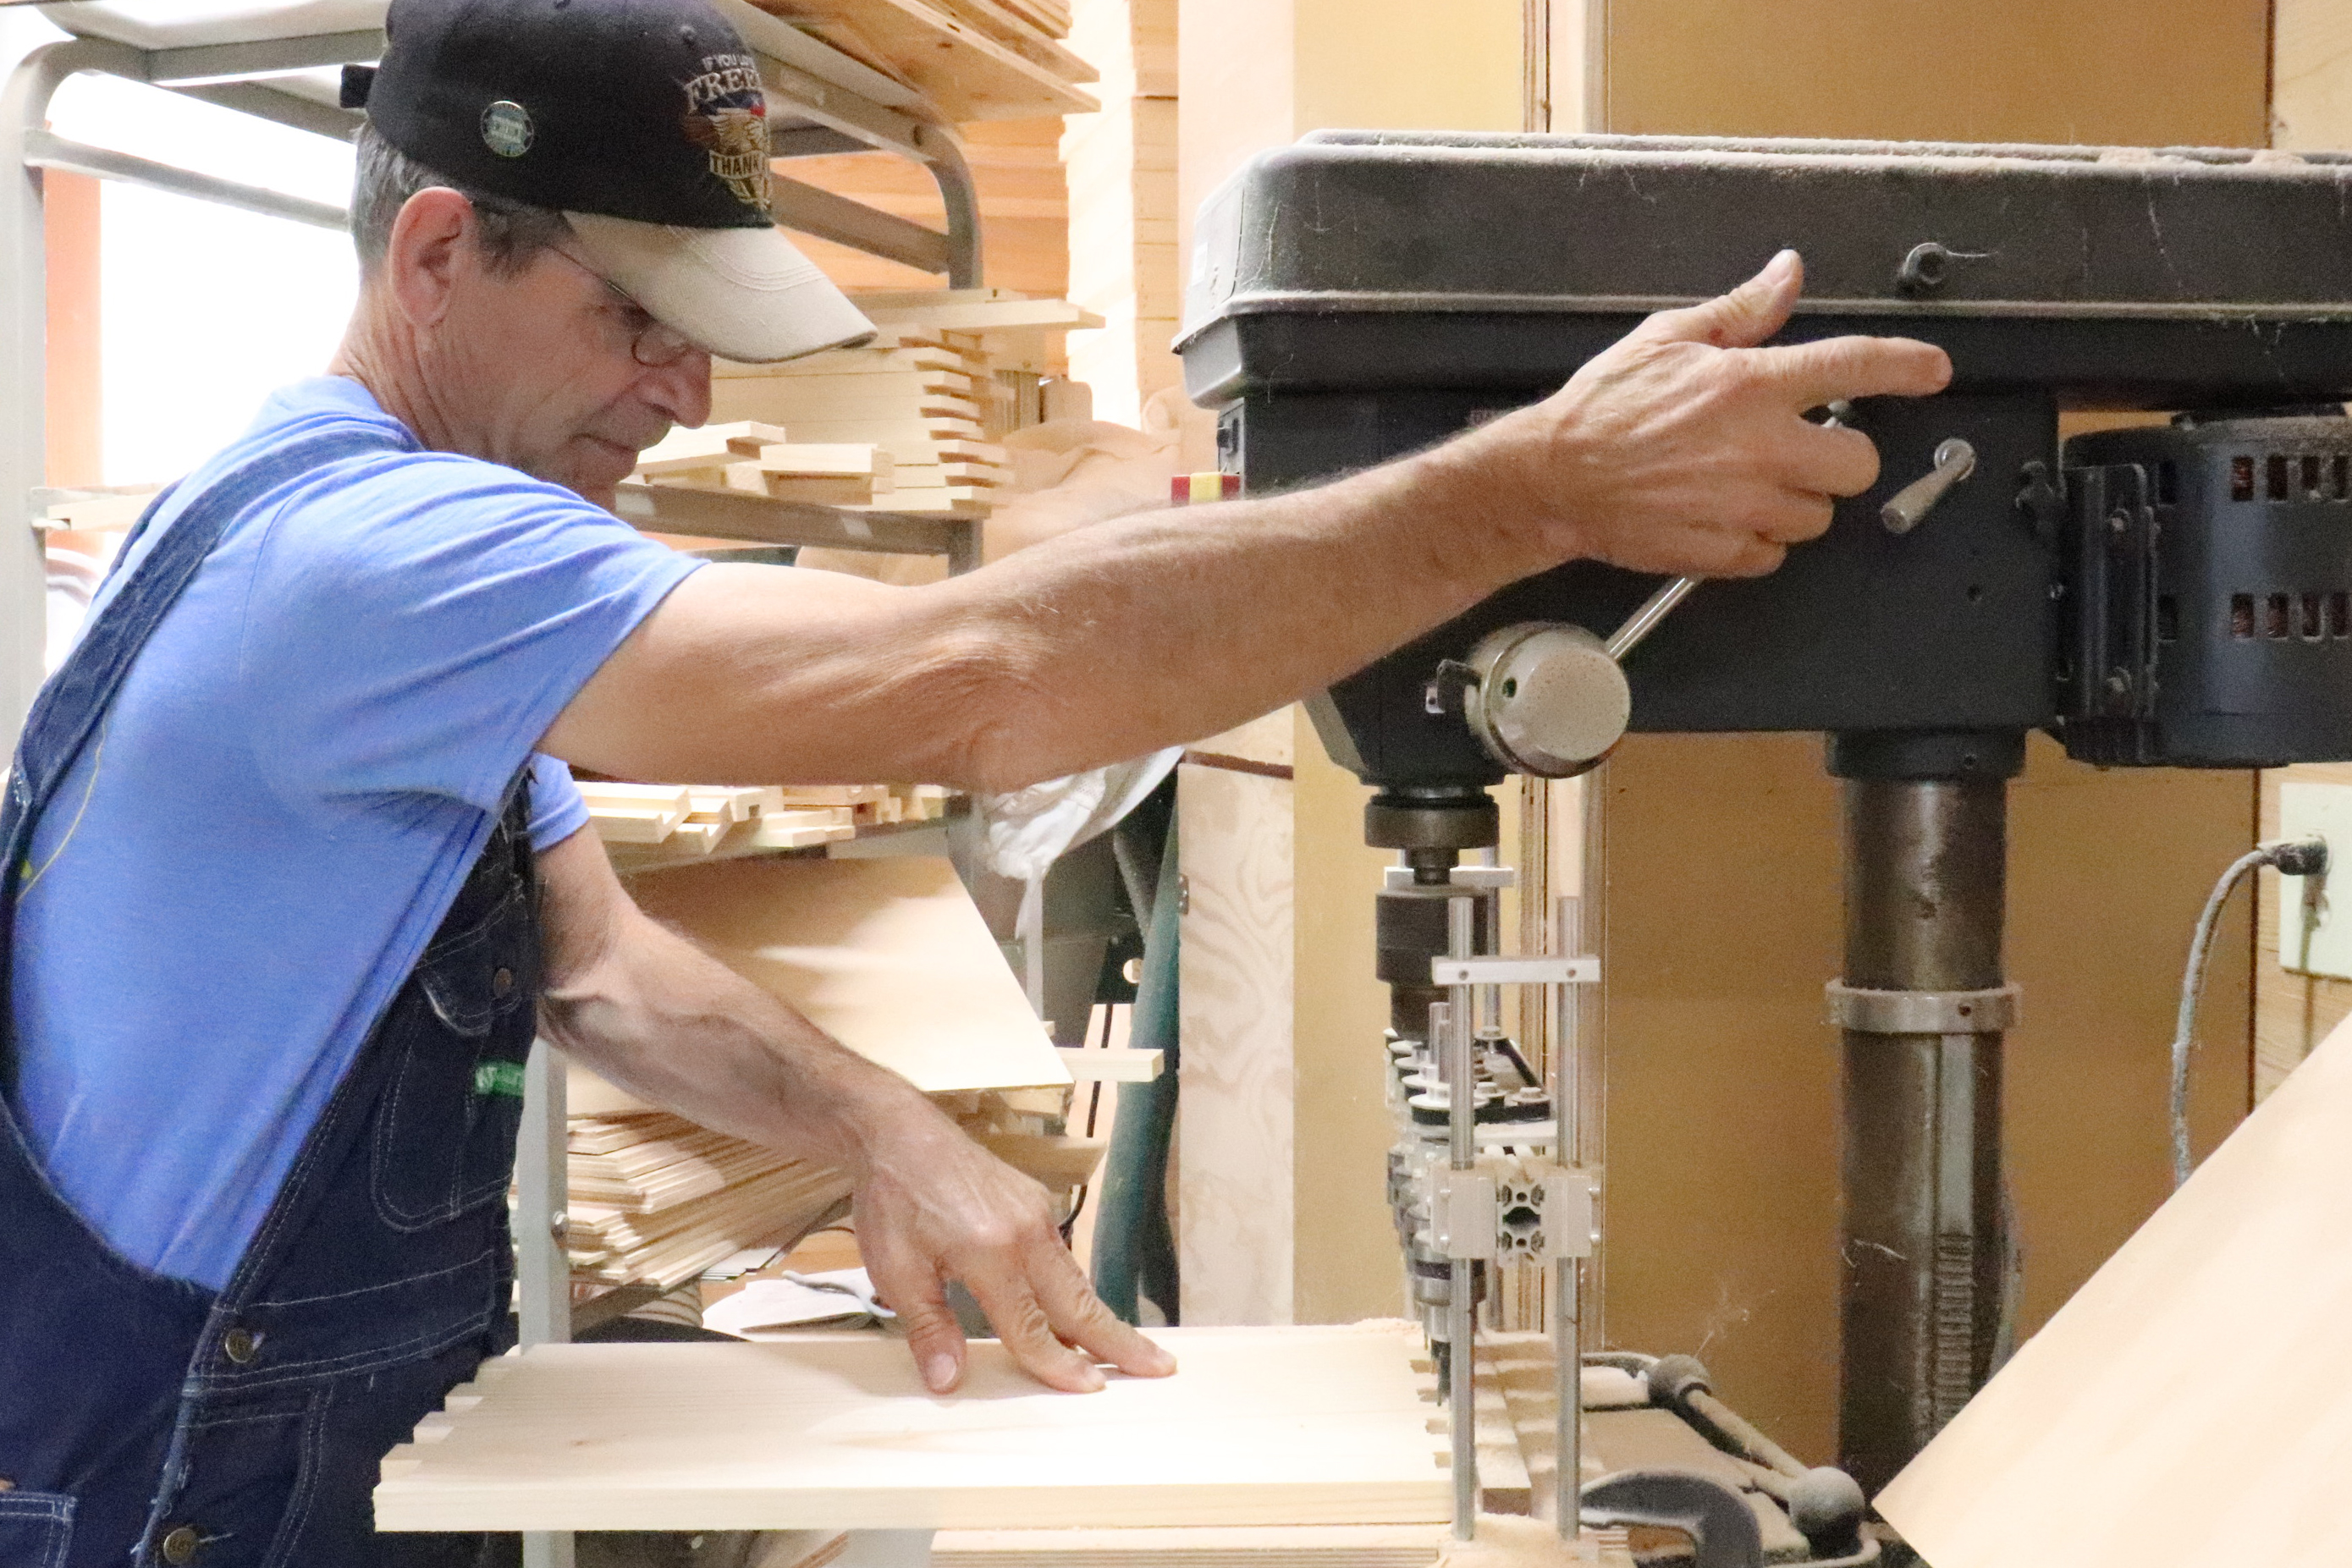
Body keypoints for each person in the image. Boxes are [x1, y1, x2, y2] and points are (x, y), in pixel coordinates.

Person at [0, 0, 1951, 1562]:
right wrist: (1528, 495)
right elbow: (974, 680)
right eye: (637, 319)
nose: (685, 392)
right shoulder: (370, 561)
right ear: (441, 252)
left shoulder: (322, 542)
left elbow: (592, 961)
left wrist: (869, 1125)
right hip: (179, 1490)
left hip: (296, 1456)